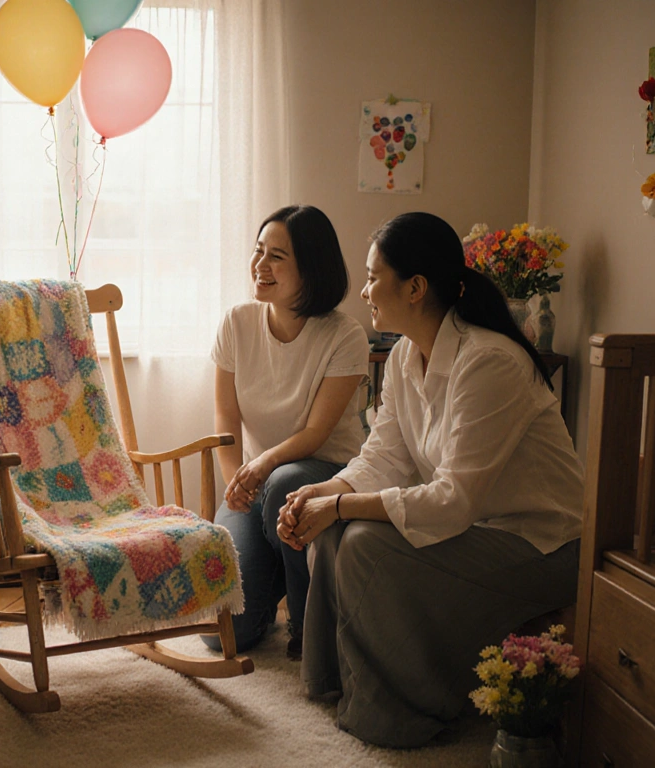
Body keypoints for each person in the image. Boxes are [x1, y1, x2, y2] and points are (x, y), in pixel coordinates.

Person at [278, 212, 583, 748]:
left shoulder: (489, 362)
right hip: (481, 530)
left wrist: (342, 507)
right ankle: (334, 681)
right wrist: (321, 495)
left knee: (365, 541)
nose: (365, 291)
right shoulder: (402, 356)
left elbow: (453, 501)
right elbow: (382, 456)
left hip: (542, 545)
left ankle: (398, 713)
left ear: (415, 287)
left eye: (373, 278)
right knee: (331, 525)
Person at [207, 205, 369, 659]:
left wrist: (261, 465)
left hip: (323, 473)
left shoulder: (345, 335)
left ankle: (306, 626)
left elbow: (316, 432)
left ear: (311, 270)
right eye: (259, 251)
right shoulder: (237, 323)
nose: (260, 264)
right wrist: (235, 483)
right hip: (261, 482)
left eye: (276, 256)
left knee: (285, 482)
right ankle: (277, 570)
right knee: (223, 633)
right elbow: (225, 417)